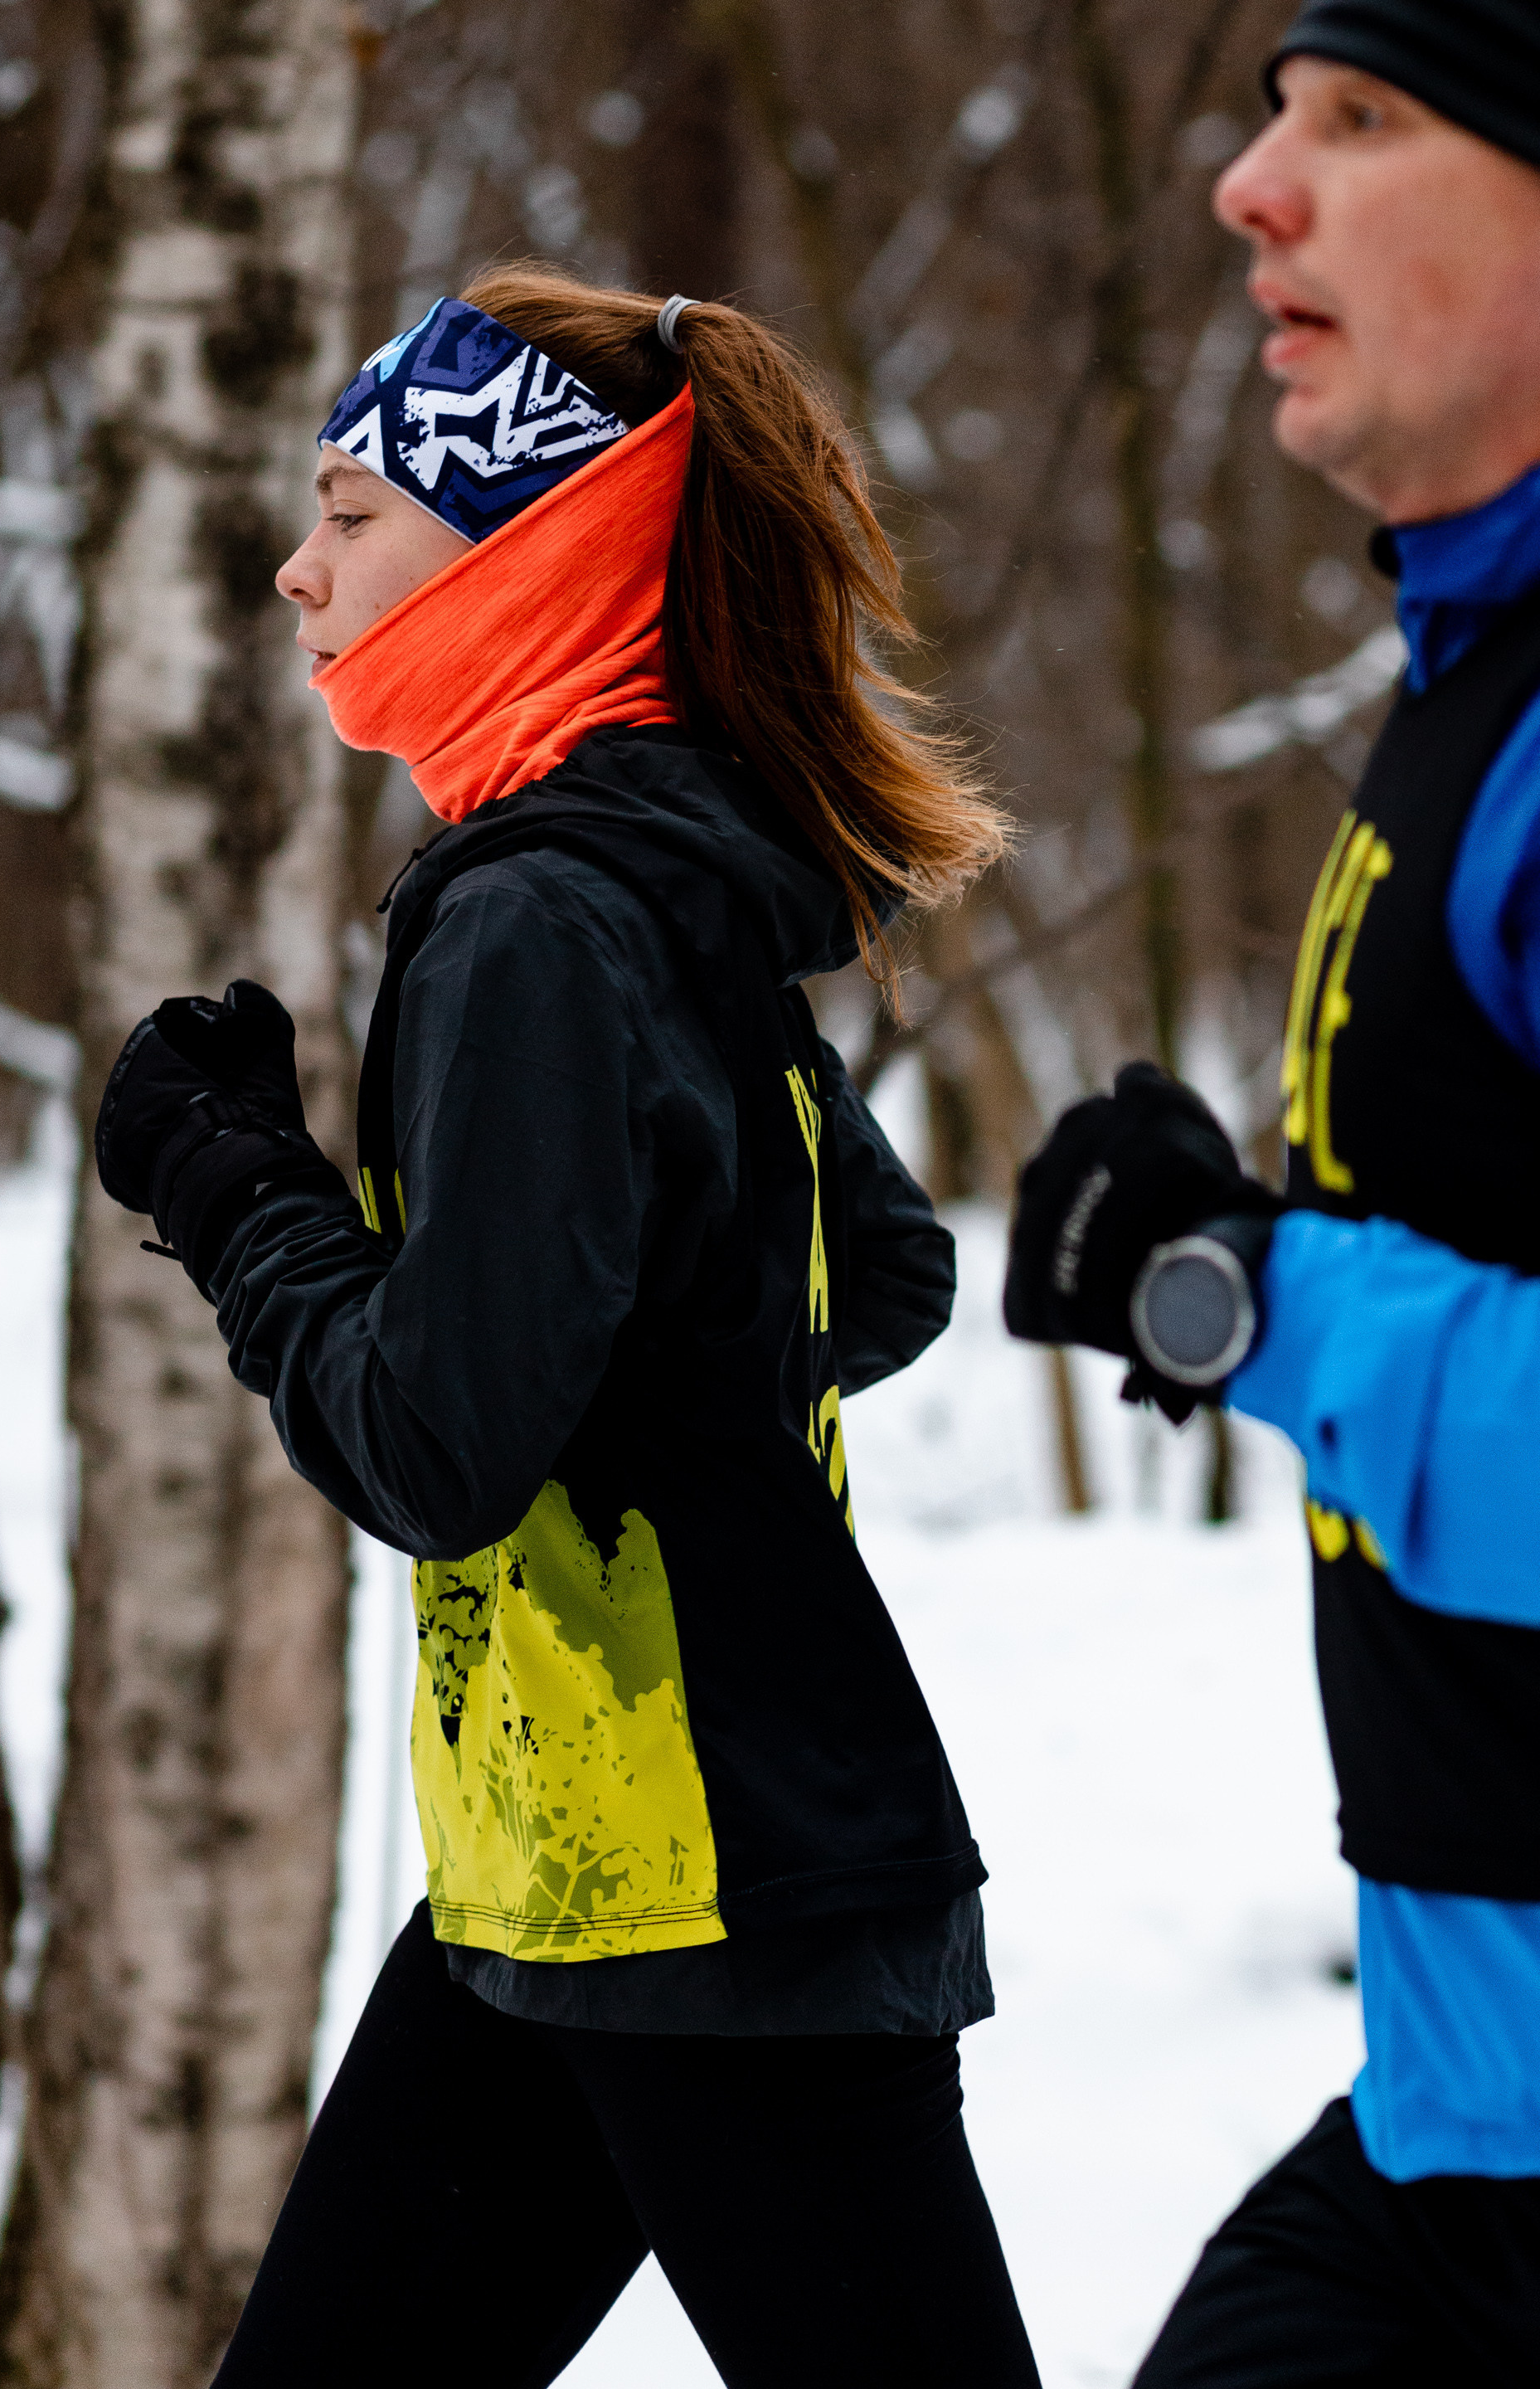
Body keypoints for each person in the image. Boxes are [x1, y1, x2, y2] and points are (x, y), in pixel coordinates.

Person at [93, 270, 1042, 2386]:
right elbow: (866, 1277)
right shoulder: (664, 879)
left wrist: (235, 1188)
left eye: (349, 510)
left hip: (714, 1902)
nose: (295, 561)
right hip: (582, 1884)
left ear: (531, 539)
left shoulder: (540, 912)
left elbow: (435, 1444)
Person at [1004, 4, 1540, 2382]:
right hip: (1470, 2125)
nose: (1250, 186)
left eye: (1361, 118)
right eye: (1265, 117)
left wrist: (1254, 1295)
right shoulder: (1476, 682)